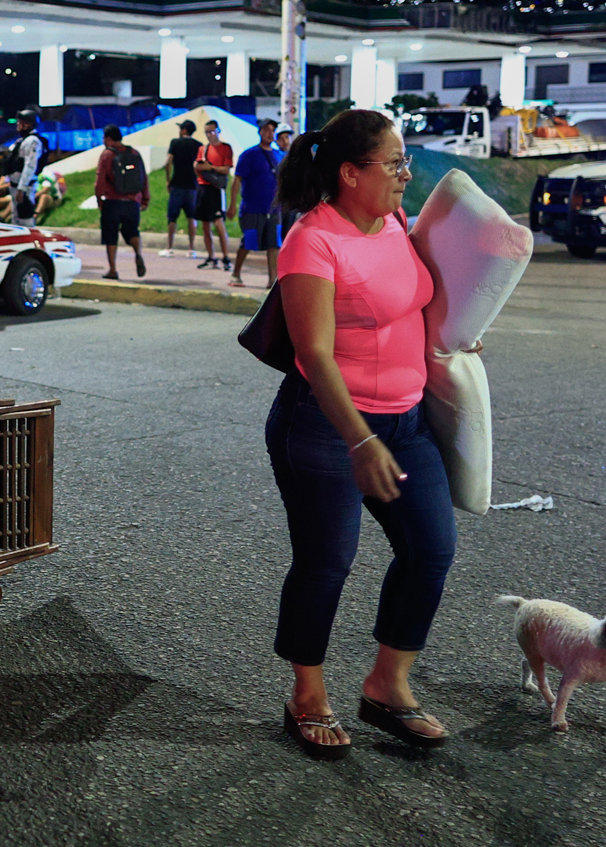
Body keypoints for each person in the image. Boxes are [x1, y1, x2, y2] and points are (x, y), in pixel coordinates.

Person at [270, 109, 457, 757]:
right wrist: (359, 439)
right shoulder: (312, 240)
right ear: (351, 173)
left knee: (431, 547)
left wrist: (460, 337)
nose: (407, 174)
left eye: (406, 162)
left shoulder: (397, 224)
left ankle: (387, 686)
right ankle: (307, 696)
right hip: (326, 425)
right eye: (395, 164)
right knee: (327, 562)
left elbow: (410, 305)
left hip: (405, 422)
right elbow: (315, 352)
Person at [230, 118, 285, 288]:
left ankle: (272, 280)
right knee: (248, 241)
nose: (270, 133)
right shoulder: (249, 155)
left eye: (273, 130)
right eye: (267, 129)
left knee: (274, 245)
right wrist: (232, 204)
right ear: (260, 131)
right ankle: (236, 274)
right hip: (253, 207)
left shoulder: (279, 156)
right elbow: (237, 180)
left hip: (274, 208)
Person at [94, 125, 149, 279]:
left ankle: (113, 270)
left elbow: (100, 180)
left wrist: (99, 199)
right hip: (132, 202)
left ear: (109, 139)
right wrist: (145, 198)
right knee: (132, 232)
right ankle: (138, 253)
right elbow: (143, 177)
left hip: (112, 202)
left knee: (111, 236)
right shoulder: (134, 153)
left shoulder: (107, 155)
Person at [193, 119, 235, 270]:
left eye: (212, 132)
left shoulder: (225, 148)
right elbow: (198, 166)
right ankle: (211, 256)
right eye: (207, 132)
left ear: (218, 131)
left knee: (218, 223)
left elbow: (226, 169)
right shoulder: (202, 149)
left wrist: (210, 167)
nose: (210, 135)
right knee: (205, 225)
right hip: (203, 188)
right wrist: (198, 167)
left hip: (216, 189)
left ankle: (226, 257)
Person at [161, 119, 203, 257]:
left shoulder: (175, 143)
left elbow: (168, 162)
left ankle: (169, 247)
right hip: (193, 186)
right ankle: (191, 249)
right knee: (192, 217)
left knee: (172, 218)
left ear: (184, 130)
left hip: (177, 185)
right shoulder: (199, 146)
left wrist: (168, 180)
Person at [10, 110, 45, 228]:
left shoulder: (32, 141)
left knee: (25, 219)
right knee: (16, 220)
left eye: (20, 122)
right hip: (16, 186)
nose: (17, 125)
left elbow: (30, 165)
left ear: (28, 124)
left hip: (25, 188)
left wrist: (22, 188)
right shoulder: (23, 140)